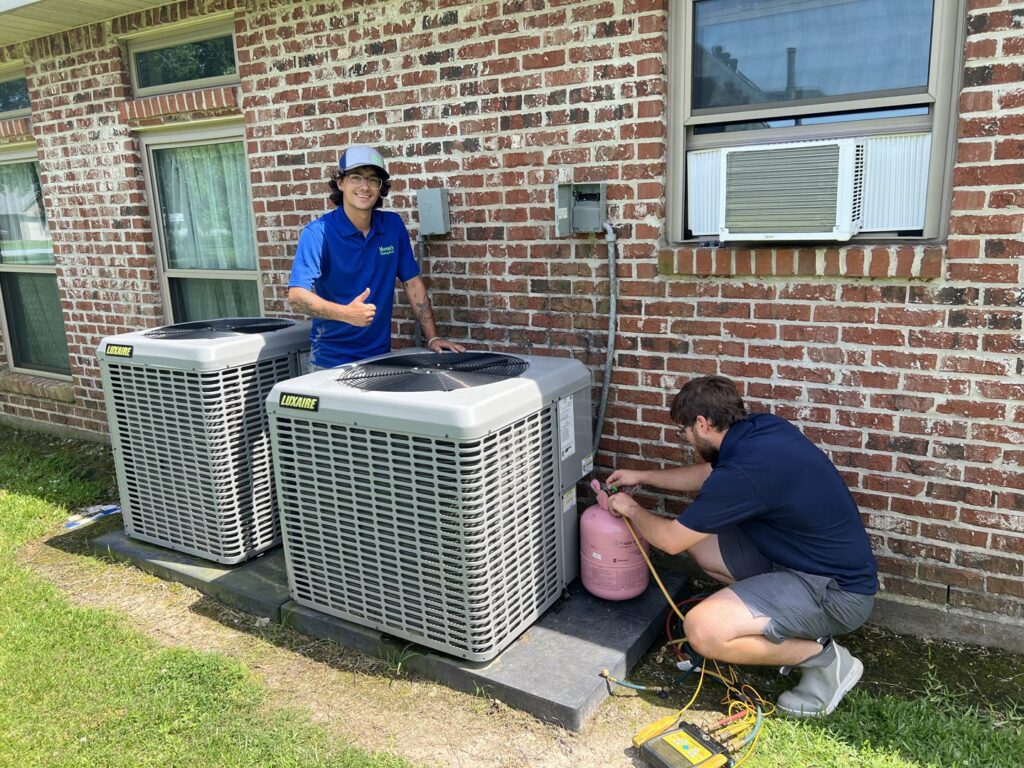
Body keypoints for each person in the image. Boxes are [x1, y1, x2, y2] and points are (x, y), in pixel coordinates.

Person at [606, 375, 877, 718]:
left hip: (836, 595)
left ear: (702, 424)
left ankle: (826, 660)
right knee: (703, 546)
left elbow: (671, 541)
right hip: (800, 563)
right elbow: (707, 474)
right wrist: (641, 476)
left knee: (702, 630)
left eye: (684, 432)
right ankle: (765, 617)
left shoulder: (745, 473)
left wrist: (630, 509)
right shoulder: (762, 429)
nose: (686, 439)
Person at [288, 145, 464, 368]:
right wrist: (345, 314)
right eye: (356, 177)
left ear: (381, 188)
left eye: (373, 179)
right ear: (340, 183)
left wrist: (432, 337)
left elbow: (412, 284)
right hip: (331, 362)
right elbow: (296, 296)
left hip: (380, 358)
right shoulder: (318, 233)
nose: (365, 186)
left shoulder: (392, 226)